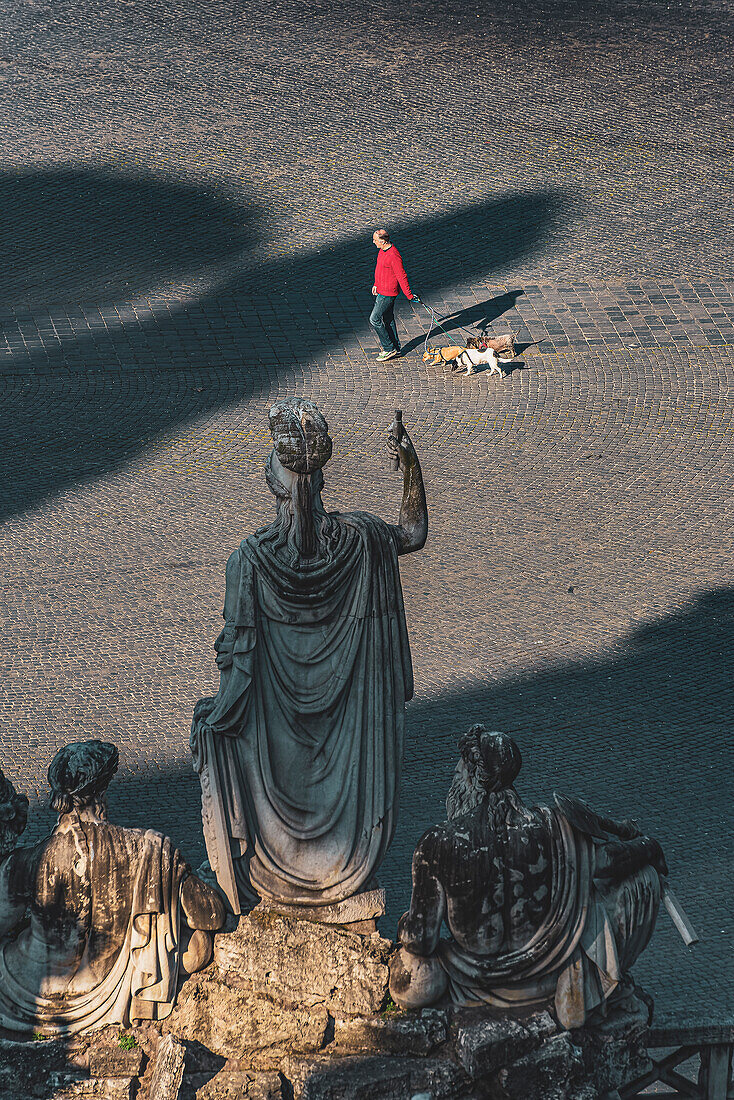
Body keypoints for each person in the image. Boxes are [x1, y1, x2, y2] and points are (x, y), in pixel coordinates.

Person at [191, 399, 428, 913]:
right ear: (321, 482)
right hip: (350, 793)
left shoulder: (248, 562)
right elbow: (413, 533)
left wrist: (214, 718)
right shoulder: (362, 540)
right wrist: (410, 467)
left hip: (273, 758)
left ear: (273, 484)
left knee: (208, 723)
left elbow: (241, 667)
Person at [390, 725, 667, 1029]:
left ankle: (561, 983)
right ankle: (575, 980)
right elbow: (608, 862)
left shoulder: (438, 843)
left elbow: (420, 939)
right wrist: (648, 847)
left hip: (471, 978)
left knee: (412, 978)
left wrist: (406, 922)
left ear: (471, 779)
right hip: (542, 968)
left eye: (457, 776)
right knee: (640, 883)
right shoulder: (550, 826)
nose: (453, 783)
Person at [0, 741, 225, 1036]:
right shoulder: (149, 850)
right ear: (102, 792)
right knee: (195, 947)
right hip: (106, 988)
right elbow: (211, 916)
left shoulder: (25, 864)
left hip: (27, 991)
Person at [369, 229, 420, 361]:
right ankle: (396, 348)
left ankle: (388, 348)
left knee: (374, 319)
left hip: (387, 293)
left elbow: (401, 276)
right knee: (388, 319)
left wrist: (409, 295)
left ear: (382, 241)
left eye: (375, 240)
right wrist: (376, 283)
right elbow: (379, 269)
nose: (373, 242)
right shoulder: (382, 251)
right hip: (382, 289)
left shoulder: (393, 255)